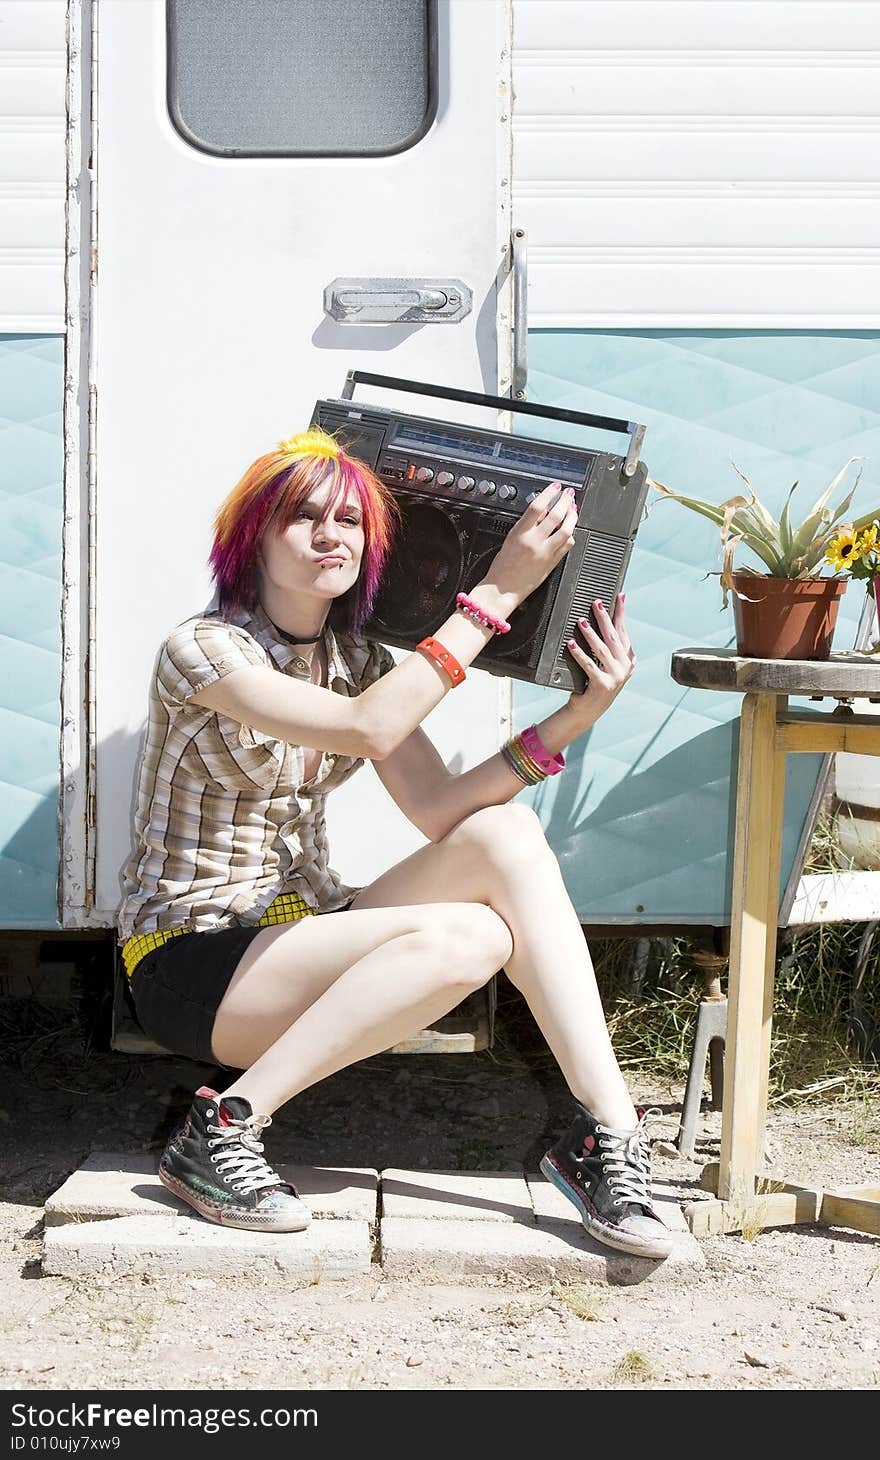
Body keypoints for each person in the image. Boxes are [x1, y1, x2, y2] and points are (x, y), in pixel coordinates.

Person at [116, 426, 673, 1261]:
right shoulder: (202, 651)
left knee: (503, 838)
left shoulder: (356, 658)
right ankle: (224, 1129)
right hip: (189, 959)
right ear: (253, 538)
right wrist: (497, 593)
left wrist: (573, 719)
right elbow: (367, 728)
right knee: (467, 933)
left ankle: (608, 1139)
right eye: (302, 517)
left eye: (349, 520)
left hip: (299, 931)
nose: (329, 536)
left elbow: (443, 809)